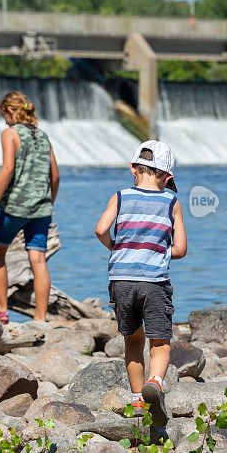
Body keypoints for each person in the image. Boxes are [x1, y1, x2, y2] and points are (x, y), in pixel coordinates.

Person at [94, 140, 187, 426]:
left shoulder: (120, 197)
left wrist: (118, 248)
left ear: (132, 168)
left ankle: (137, 399)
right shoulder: (171, 202)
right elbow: (181, 249)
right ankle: (156, 383)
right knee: (159, 342)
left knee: (133, 341)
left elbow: (100, 229)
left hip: (121, 279)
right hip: (154, 282)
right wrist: (157, 252)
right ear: (168, 176)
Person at [0, 92, 59, 324]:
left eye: (3, 116)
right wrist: (48, 202)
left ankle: (2, 311)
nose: (4, 121)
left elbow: (7, 169)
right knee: (38, 259)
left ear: (10, 112)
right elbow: (55, 176)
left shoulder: (10, 133)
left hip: (15, 206)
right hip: (41, 208)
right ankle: (40, 317)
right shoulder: (43, 135)